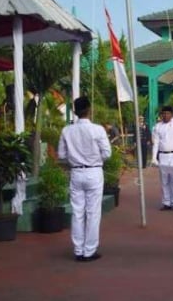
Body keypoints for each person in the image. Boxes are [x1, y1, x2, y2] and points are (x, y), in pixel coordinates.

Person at [58, 96, 111, 262]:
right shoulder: (98, 130)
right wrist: (95, 158)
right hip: (94, 172)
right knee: (93, 212)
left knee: (77, 212)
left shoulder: (67, 130)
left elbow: (61, 155)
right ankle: (89, 250)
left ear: (75, 111)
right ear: (89, 110)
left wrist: (74, 159)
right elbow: (107, 153)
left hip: (76, 172)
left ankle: (78, 249)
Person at [151, 106, 173, 211]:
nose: (165, 115)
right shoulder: (157, 127)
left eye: (168, 113)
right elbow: (156, 143)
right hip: (163, 155)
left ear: (172, 114)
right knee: (164, 180)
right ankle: (166, 202)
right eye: (163, 113)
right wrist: (154, 157)